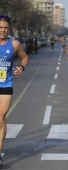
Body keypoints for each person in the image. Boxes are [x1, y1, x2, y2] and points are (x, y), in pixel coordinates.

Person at [0, 15, 29, 166]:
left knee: (1, 116)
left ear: (8, 29)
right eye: (0, 27)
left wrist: (21, 67)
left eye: (5, 27)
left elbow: (25, 58)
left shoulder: (14, 44)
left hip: (6, 84)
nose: (2, 30)